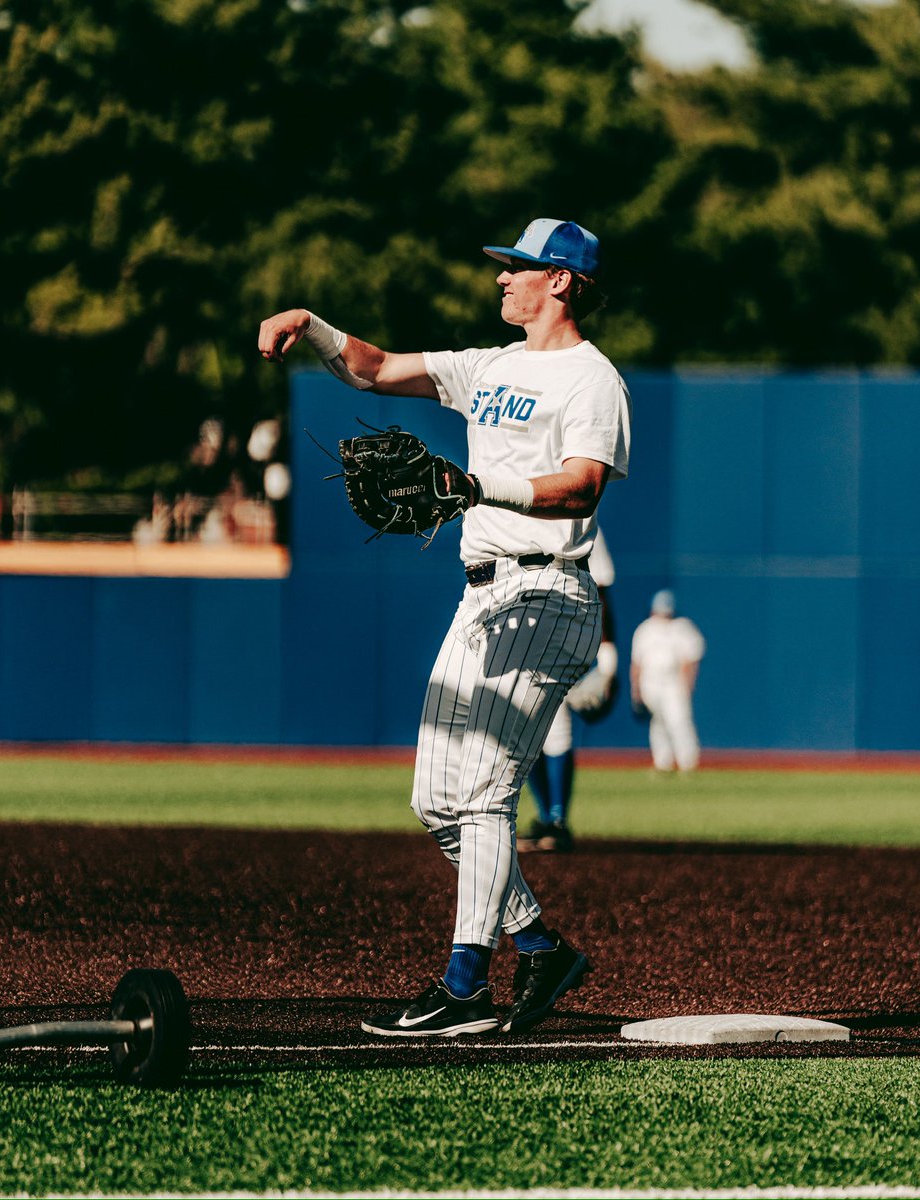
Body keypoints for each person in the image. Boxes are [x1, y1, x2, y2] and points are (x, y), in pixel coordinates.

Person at [259, 218, 631, 1038]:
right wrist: (310, 325)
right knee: (437, 802)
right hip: (481, 597)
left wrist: (475, 485)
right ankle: (538, 945)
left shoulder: (590, 379)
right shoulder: (487, 366)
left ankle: (466, 986)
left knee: (487, 794)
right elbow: (377, 368)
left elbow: (581, 487)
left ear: (560, 282)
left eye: (518, 269)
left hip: (545, 592)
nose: (502, 279)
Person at [518, 526, 618, 853]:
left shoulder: (582, 517)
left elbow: (601, 588)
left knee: (555, 729)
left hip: (562, 632)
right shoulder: (510, 513)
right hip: (519, 634)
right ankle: (548, 817)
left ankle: (557, 819)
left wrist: (608, 656)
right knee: (522, 732)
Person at [629, 589, 705, 773]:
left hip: (673, 681)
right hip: (651, 681)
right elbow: (637, 663)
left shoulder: (682, 627)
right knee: (658, 722)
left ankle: (688, 761)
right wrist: (636, 689)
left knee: (679, 720)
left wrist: (687, 683)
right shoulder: (646, 629)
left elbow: (691, 659)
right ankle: (662, 762)